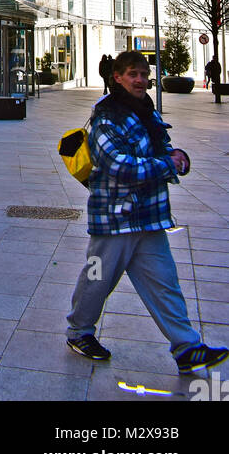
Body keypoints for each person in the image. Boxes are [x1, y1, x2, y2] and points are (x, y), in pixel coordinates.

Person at [66, 50, 228, 374]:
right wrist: (165, 164)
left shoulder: (147, 112)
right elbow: (117, 165)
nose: (140, 80)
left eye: (143, 74)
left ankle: (187, 347)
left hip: (149, 216)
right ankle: (79, 332)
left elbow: (161, 146)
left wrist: (176, 156)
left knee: (164, 282)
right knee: (97, 280)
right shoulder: (107, 115)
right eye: (132, 74)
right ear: (117, 77)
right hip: (115, 216)